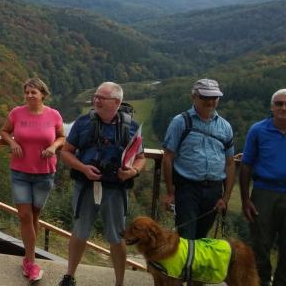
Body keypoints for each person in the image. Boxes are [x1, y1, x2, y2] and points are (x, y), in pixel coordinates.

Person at [57, 82, 145, 286]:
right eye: (95, 96)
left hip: (115, 188)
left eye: (101, 98)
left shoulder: (131, 126)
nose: (95, 100)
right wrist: (83, 168)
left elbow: (140, 158)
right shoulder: (83, 122)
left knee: (117, 236)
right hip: (86, 186)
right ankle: (69, 276)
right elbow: (66, 152)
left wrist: (132, 172)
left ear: (116, 102)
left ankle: (119, 282)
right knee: (80, 232)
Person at [0, 77, 65, 282]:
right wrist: (11, 142)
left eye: (33, 92)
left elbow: (62, 137)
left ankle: (27, 258)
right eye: (27, 92)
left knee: (34, 216)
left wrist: (53, 147)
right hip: (19, 172)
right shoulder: (16, 113)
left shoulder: (53, 115)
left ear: (42, 95)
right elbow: (3, 131)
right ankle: (32, 262)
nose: (29, 95)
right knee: (25, 216)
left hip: (45, 173)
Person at [161, 78, 235, 240]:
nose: (210, 102)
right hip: (187, 189)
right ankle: (186, 266)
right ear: (193, 97)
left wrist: (225, 198)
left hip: (214, 191)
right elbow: (168, 157)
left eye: (214, 98)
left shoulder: (225, 126)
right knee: (186, 237)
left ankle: (194, 266)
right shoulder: (180, 122)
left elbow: (230, 163)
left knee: (202, 238)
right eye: (205, 97)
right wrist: (170, 192)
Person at [240, 88, 286, 286]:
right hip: (263, 193)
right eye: (279, 103)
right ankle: (261, 282)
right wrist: (245, 200)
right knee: (260, 245)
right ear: (271, 107)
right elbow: (247, 164)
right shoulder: (258, 130)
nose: (284, 107)